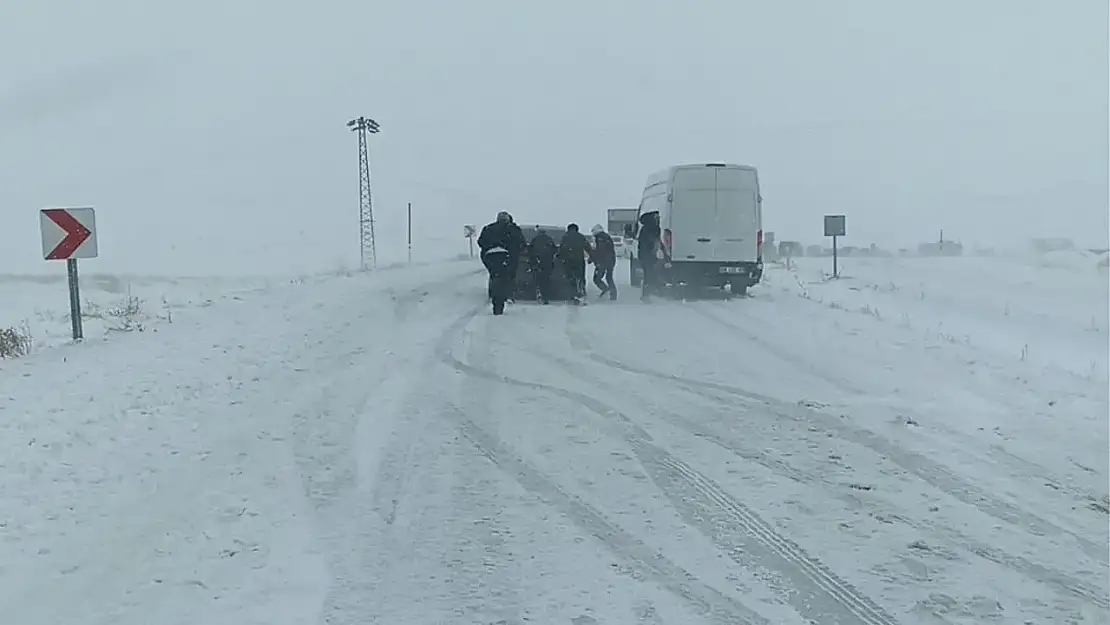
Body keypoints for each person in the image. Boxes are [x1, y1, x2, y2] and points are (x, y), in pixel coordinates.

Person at [477, 211, 518, 315]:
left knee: (495, 276)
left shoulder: (488, 228)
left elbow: (480, 242)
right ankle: (502, 300)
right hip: (505, 256)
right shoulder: (512, 229)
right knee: (505, 278)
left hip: (490, 256)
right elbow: (519, 243)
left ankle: (496, 301)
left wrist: (488, 247)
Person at [558, 223, 592, 302]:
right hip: (579, 260)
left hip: (568, 260)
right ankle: (582, 289)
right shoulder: (581, 237)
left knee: (570, 277)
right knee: (580, 276)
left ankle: (572, 292)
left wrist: (560, 256)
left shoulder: (565, 237)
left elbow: (562, 248)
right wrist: (591, 256)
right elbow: (587, 247)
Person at [528, 228, 558, 304]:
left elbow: (530, 250)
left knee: (537, 278)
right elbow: (555, 250)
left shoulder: (534, 239)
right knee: (546, 279)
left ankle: (538, 292)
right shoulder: (549, 239)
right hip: (547, 262)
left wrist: (533, 259)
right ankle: (546, 296)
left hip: (537, 262)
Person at [636, 211, 662, 301]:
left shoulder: (644, 229)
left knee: (648, 273)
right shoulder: (654, 228)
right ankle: (651, 292)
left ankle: (649, 292)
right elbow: (654, 241)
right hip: (650, 254)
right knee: (650, 273)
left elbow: (642, 243)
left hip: (644, 254)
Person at [589, 224, 617, 300]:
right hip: (610, 260)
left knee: (597, 279)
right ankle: (613, 295)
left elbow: (599, 250)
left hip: (602, 261)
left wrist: (592, 258)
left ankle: (606, 290)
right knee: (609, 277)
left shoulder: (599, 238)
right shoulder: (606, 236)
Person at [504, 214, 526, 303]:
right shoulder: (515, 230)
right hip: (513, 256)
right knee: (510, 276)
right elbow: (522, 242)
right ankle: (509, 294)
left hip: (498, 258)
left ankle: (502, 293)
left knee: (498, 275)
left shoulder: (492, 228)